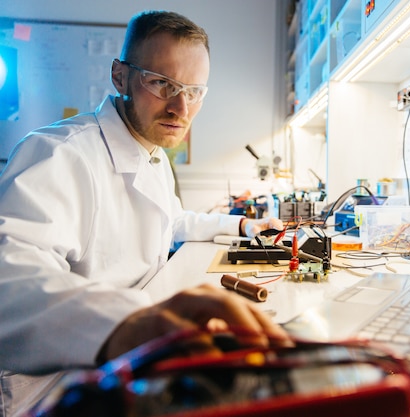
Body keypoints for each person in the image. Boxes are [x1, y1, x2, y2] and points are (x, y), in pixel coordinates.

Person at [0, 10, 290, 417]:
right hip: (56, 387)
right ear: (120, 76)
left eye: (194, 90)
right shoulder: (60, 154)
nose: (180, 107)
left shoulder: (150, 154)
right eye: (162, 84)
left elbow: (171, 221)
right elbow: (8, 278)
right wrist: (127, 323)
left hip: (129, 362)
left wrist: (241, 224)